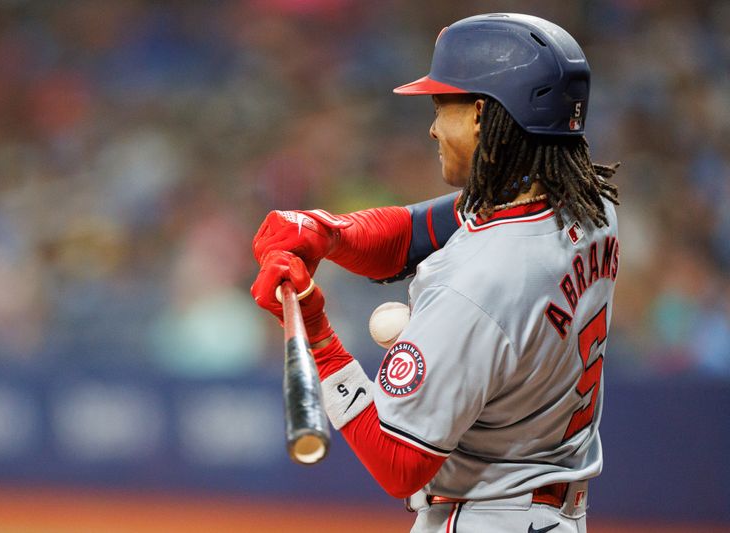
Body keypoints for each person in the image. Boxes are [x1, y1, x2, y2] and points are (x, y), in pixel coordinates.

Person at [251, 13, 619, 533]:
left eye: (440, 106)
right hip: (552, 511)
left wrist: (313, 330)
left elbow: (398, 462)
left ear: (481, 114)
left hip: (486, 517)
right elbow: (421, 230)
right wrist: (327, 231)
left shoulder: (477, 279)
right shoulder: (590, 201)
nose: (431, 127)